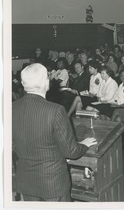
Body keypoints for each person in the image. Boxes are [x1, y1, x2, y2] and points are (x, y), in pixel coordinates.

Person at [12, 63, 97, 201]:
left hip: (26, 182)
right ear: (46, 82)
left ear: (22, 83)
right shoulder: (55, 110)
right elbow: (71, 152)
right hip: (53, 184)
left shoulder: (11, 108)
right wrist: (85, 144)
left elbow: (13, 145)